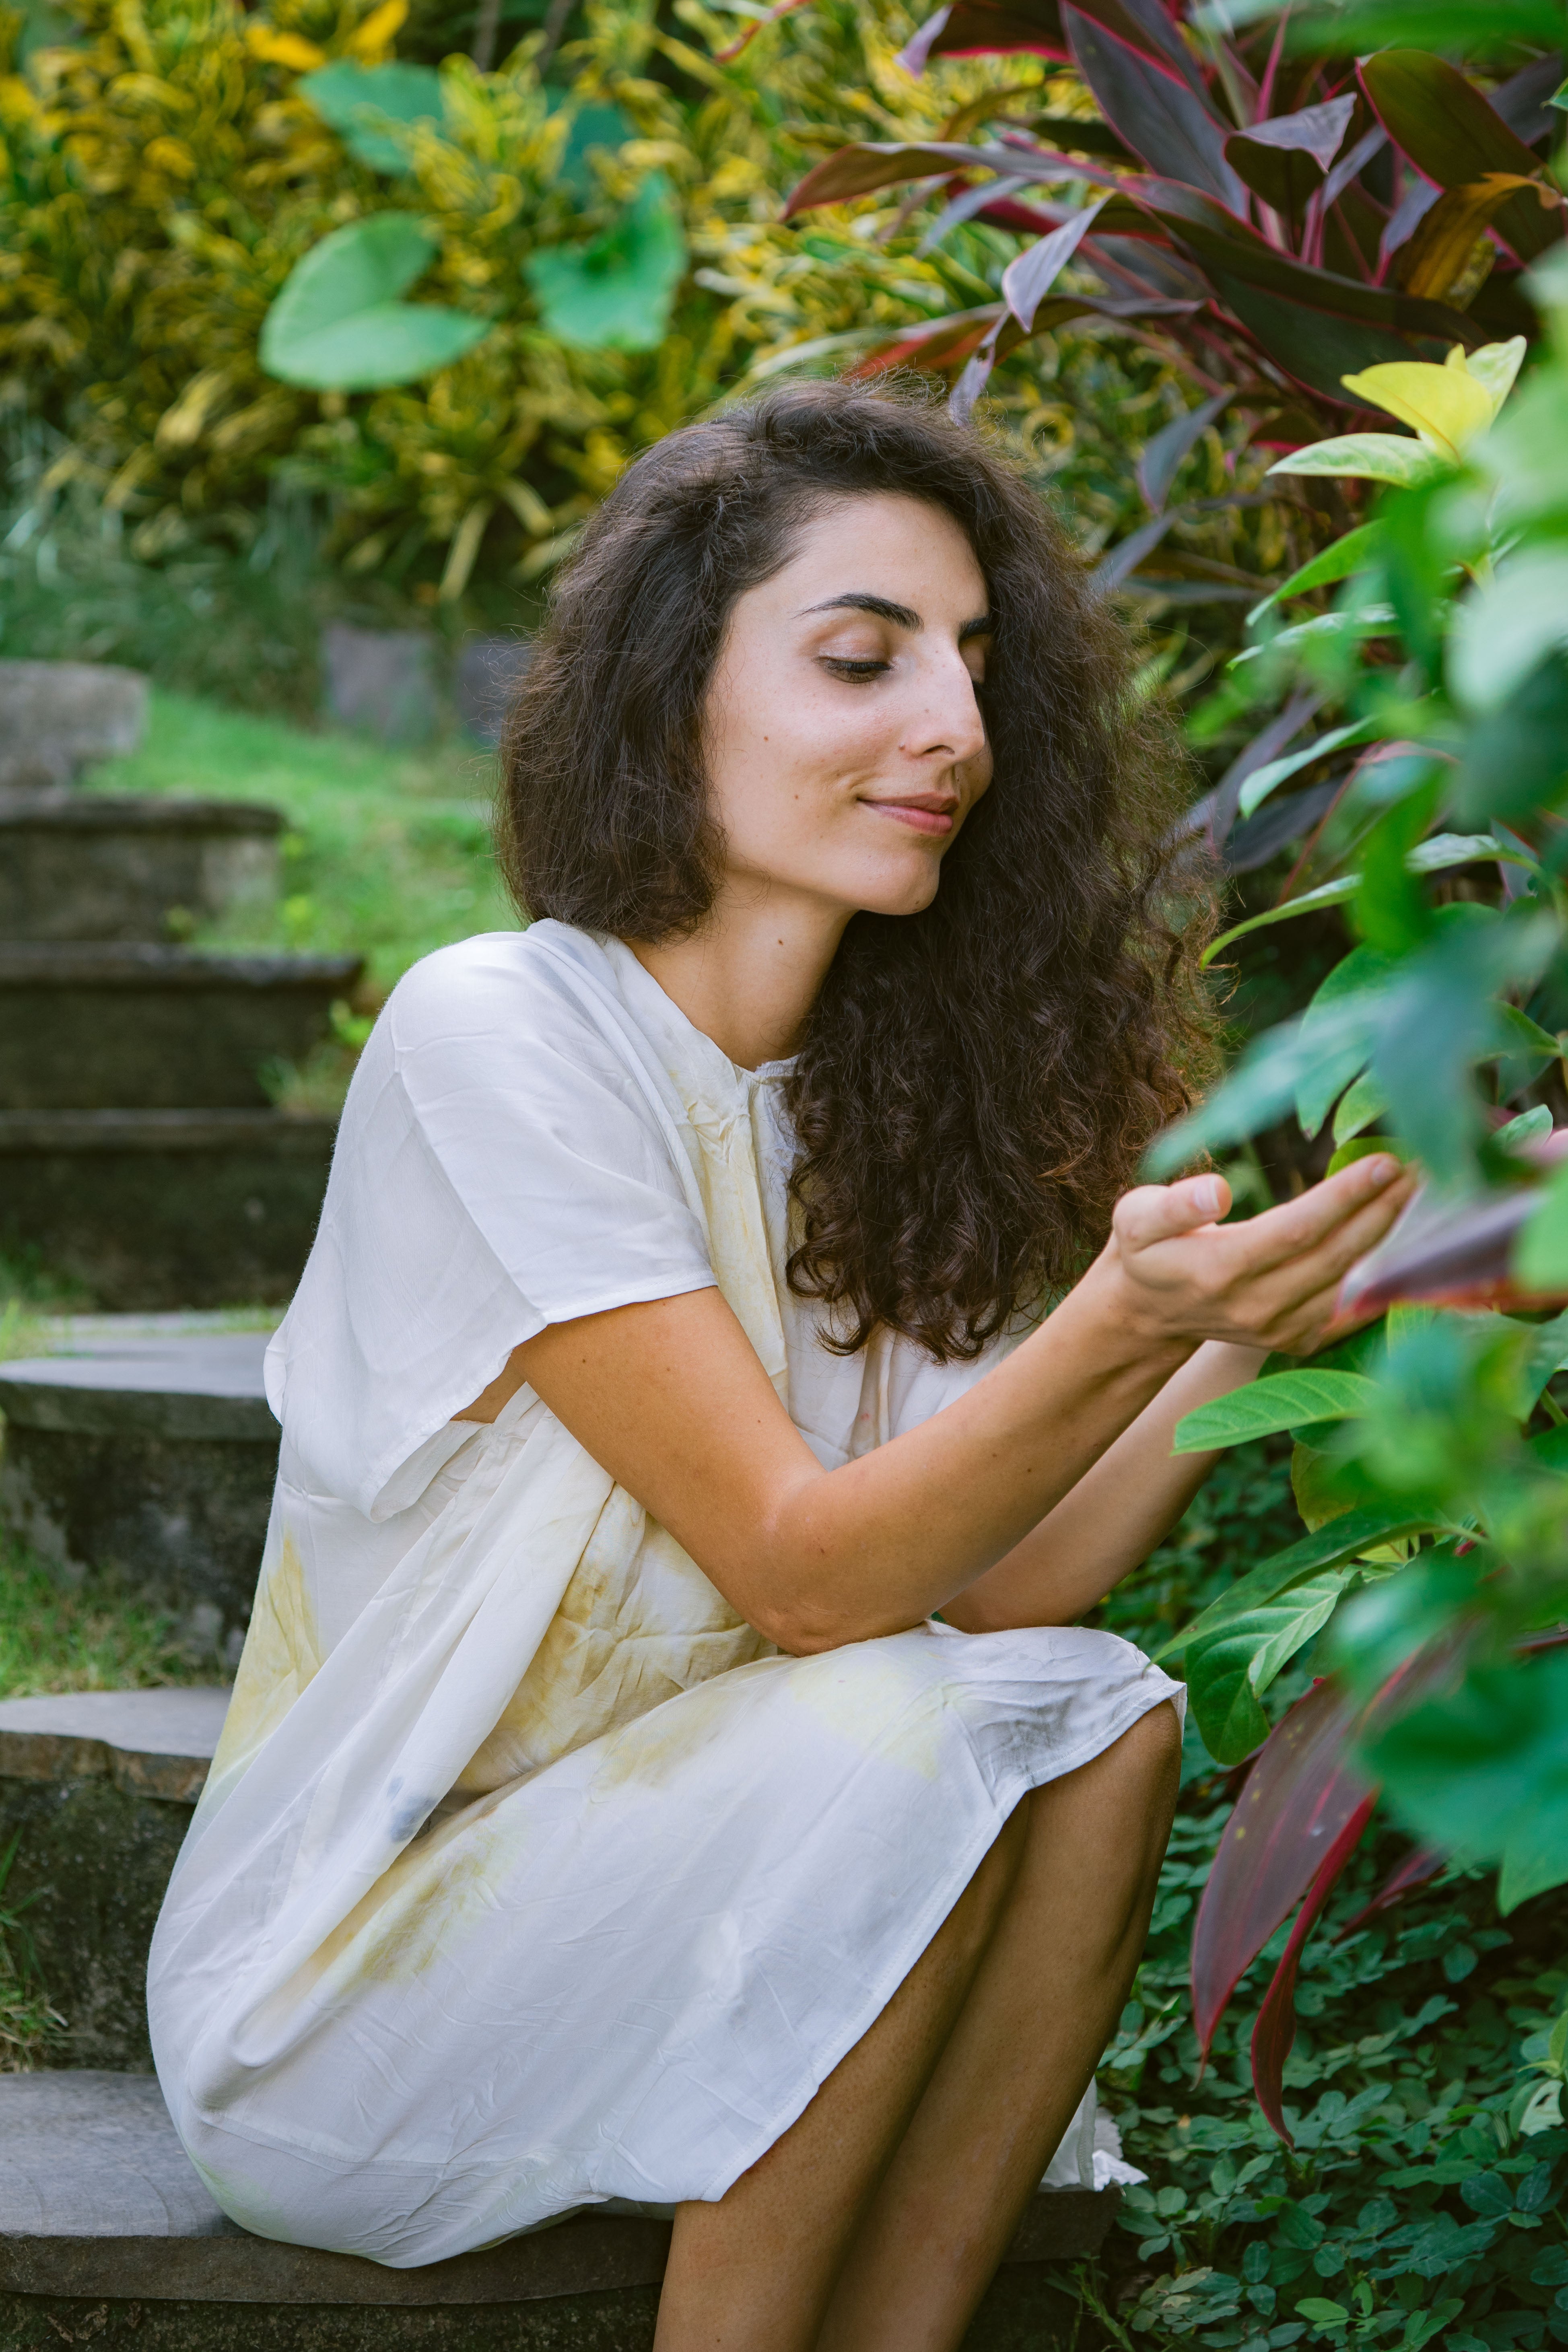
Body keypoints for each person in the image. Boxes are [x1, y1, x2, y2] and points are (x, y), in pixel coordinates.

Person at [148, 379, 1409, 2352]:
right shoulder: (503, 1032)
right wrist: (1124, 1312)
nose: (957, 732)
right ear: (673, 694)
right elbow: (813, 1574)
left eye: (979, 667)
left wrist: (1263, 1314)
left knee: (1101, 1715)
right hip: (364, 1986)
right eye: (861, 658)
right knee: (904, 1721)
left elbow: (993, 1583)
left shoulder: (880, 1110)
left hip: (715, 1889)